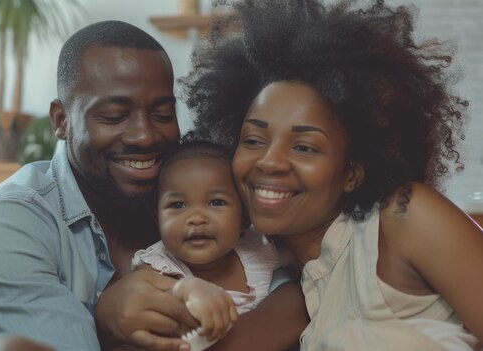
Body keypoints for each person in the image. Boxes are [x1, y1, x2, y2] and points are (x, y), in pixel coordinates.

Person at [0, 20, 307, 351]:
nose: (144, 136)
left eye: (161, 115)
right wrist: (104, 319)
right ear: (61, 120)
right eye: (113, 116)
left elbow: (292, 295)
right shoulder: (9, 226)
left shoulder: (180, 192)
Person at [182, 0, 483, 350]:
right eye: (253, 139)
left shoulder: (403, 218)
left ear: (352, 172)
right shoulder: (272, 274)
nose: (269, 161)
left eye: (304, 147)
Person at [131, 139, 279, 343]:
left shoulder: (258, 250)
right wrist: (183, 290)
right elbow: (141, 293)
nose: (196, 218)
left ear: (244, 217)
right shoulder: (159, 265)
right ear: (158, 219)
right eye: (177, 205)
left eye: (216, 202)